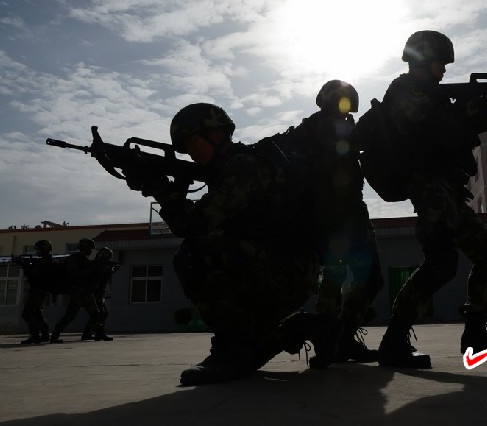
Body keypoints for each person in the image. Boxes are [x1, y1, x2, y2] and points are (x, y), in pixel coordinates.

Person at [124, 102, 324, 385]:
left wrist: (159, 188)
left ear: (218, 132)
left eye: (194, 140)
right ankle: (296, 329)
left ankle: (232, 351)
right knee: (255, 347)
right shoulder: (227, 169)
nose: (191, 150)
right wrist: (166, 186)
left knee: (195, 255)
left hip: (286, 272)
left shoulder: (245, 166)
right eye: (185, 146)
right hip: (277, 270)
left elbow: (194, 226)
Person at [370, 31, 487, 369]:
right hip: (428, 185)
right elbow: (443, 130)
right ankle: (394, 341)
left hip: (447, 188)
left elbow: (467, 126)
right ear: (423, 59)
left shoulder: (433, 96)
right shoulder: (404, 92)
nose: (444, 70)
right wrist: (471, 105)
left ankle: (475, 334)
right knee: (441, 263)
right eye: (441, 63)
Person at [274, 80, 383, 364]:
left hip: (331, 215)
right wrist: (375, 120)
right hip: (341, 215)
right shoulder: (327, 126)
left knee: (336, 280)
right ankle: (336, 340)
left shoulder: (312, 127)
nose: (347, 112)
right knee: (368, 278)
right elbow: (348, 145)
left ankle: (332, 342)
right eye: (345, 105)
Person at [50, 238, 103, 343]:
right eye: (90, 248)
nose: (90, 251)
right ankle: (55, 335)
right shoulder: (73, 259)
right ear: (85, 248)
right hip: (78, 292)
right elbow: (75, 274)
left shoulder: (84, 259)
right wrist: (91, 269)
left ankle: (96, 334)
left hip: (85, 291)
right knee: (72, 315)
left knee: (94, 314)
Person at [19, 240, 53, 344]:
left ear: (43, 249)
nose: (36, 252)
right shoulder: (47, 261)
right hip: (41, 290)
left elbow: (34, 277)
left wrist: (25, 267)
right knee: (37, 312)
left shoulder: (44, 262)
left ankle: (35, 335)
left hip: (38, 291)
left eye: (38, 249)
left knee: (27, 313)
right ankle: (44, 334)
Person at [81, 247, 118, 341]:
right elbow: (103, 275)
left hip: (98, 291)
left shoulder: (98, 263)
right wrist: (112, 269)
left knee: (99, 314)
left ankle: (88, 333)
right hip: (96, 292)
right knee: (101, 313)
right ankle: (99, 334)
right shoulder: (97, 265)